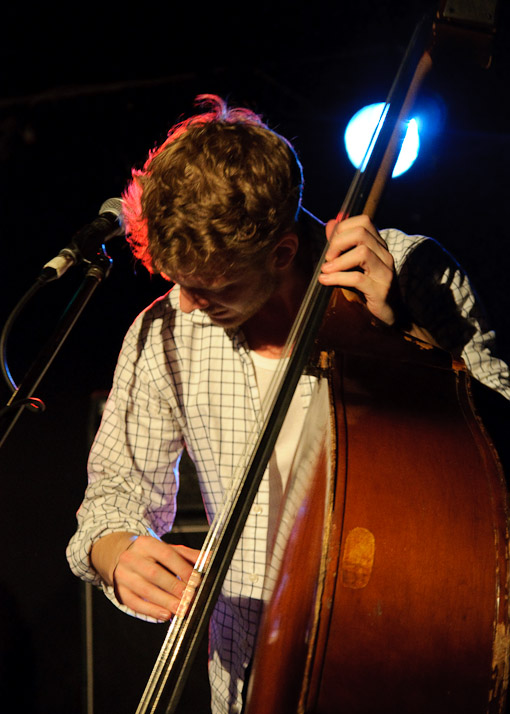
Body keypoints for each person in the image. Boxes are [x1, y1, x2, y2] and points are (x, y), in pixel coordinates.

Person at [66, 94, 510, 714]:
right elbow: (112, 497)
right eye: (176, 283)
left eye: (208, 288)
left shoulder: (410, 275)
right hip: (247, 680)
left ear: (280, 252)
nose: (186, 307)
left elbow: (500, 460)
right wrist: (117, 554)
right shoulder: (164, 330)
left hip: (404, 655)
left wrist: (404, 338)